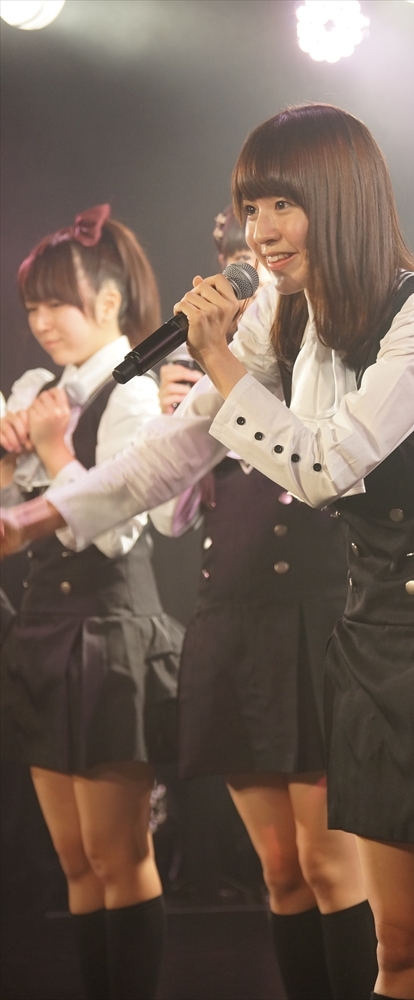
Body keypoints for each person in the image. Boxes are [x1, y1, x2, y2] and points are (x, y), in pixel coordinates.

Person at [0, 107, 414, 1000]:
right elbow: (170, 456)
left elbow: (328, 465)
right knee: (396, 946)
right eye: (249, 209)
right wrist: (27, 521)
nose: (259, 231)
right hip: (372, 647)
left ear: (340, 199)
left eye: (280, 206)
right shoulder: (279, 317)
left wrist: (221, 360)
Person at [153, 210, 378, 1000]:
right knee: (279, 872)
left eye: (253, 272)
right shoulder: (203, 380)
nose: (241, 289)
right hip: (232, 628)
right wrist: (176, 415)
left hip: (314, 625)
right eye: (230, 273)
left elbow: (325, 475)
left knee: (330, 864)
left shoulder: (321, 358)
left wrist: (231, 382)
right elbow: (166, 518)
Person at [0, 205, 183, 1000]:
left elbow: (116, 533)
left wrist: (52, 452)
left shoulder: (134, 391)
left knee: (119, 856)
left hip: (110, 635)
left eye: (56, 303)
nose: (41, 322)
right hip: (44, 632)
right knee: (73, 860)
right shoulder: (37, 389)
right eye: (31, 307)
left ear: (109, 301)